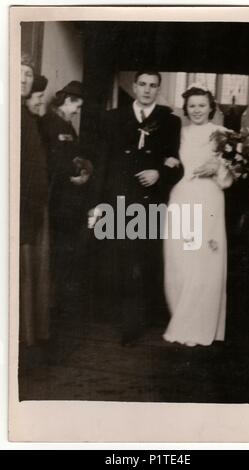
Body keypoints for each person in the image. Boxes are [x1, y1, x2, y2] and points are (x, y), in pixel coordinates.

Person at [89, 71, 181, 345]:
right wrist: (97, 202)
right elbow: (103, 161)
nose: (147, 90)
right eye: (143, 84)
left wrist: (159, 174)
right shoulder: (114, 117)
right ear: (134, 86)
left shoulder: (169, 121)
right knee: (119, 259)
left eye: (153, 86)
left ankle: (138, 320)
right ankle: (122, 318)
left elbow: (175, 161)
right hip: (119, 197)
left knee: (145, 259)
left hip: (150, 201)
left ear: (158, 89)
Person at [163, 86, 233, 347]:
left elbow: (231, 176)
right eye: (192, 105)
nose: (196, 110)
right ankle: (180, 315)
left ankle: (200, 322)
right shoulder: (179, 134)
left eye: (201, 105)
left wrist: (219, 167)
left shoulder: (223, 134)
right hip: (181, 195)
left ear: (210, 107)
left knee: (204, 258)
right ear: (186, 108)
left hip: (209, 198)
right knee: (180, 258)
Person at [40, 81, 93, 322]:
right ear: (66, 101)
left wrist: (84, 171)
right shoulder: (49, 123)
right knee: (57, 252)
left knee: (67, 252)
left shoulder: (68, 126)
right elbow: (51, 162)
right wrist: (72, 174)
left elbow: (76, 155)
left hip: (71, 200)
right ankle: (52, 306)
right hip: (58, 198)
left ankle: (60, 305)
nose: (77, 111)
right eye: (76, 106)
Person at [20, 54, 50, 365]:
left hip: (27, 209)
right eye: (19, 73)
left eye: (29, 75)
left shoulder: (24, 115)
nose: (25, 79)